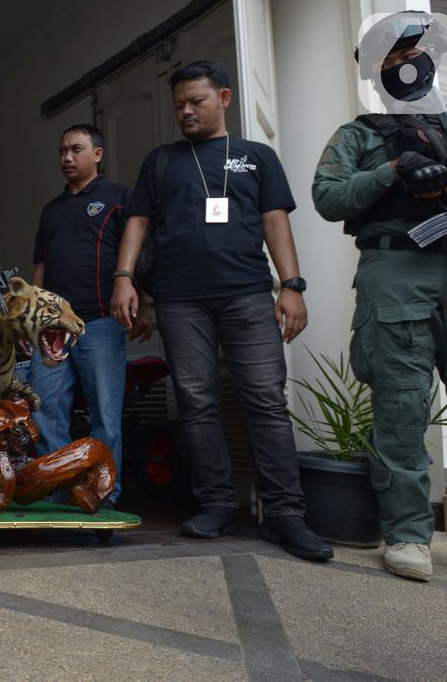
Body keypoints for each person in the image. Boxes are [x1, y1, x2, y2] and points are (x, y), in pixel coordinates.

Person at [312, 11, 447, 587]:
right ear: (376, 73)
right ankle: (407, 535)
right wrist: (394, 171)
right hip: (397, 267)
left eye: (413, 55)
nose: (405, 67)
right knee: (400, 409)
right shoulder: (361, 133)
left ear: (434, 60)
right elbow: (327, 196)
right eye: (391, 61)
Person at [109, 59, 332, 561]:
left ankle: (284, 514)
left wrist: (291, 285)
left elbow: (275, 222)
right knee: (196, 401)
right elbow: (138, 224)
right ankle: (216, 505)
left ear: (224, 99)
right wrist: (124, 279)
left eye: (197, 102)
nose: (186, 111)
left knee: (265, 401)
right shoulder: (161, 161)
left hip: (248, 294)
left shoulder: (256, 157)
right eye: (179, 104)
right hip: (180, 299)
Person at [27, 124, 147, 508]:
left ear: (97, 154)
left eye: (76, 149)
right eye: (62, 150)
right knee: (44, 412)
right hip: (54, 330)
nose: (66, 157)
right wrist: (35, 318)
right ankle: (56, 492)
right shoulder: (52, 209)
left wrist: (143, 302)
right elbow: (41, 268)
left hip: (100, 322)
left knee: (105, 417)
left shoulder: (119, 197)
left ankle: (103, 497)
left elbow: (137, 257)